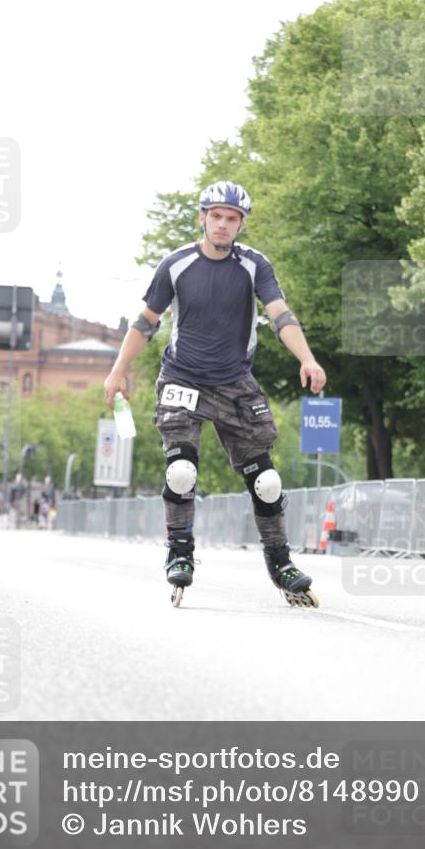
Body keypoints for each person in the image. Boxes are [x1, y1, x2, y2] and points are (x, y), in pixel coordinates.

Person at [103, 180, 327, 606]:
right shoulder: (176, 264)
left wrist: (308, 358)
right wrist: (118, 371)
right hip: (181, 379)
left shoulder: (254, 265)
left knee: (266, 481)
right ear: (203, 218)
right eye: (216, 216)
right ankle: (180, 553)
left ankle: (280, 561)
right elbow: (146, 321)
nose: (223, 225)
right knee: (181, 472)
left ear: (241, 224)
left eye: (232, 219)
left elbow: (279, 314)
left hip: (234, 383)